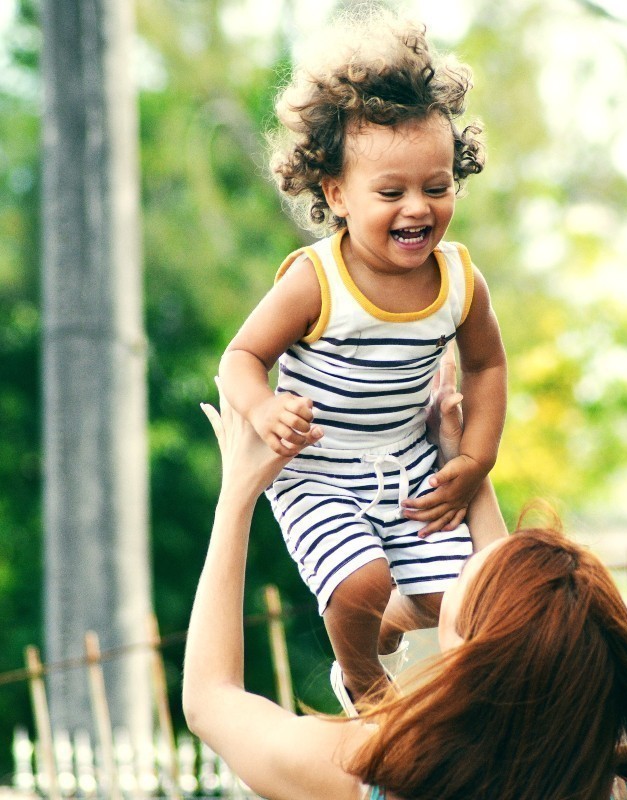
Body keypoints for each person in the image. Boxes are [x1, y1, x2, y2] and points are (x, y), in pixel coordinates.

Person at [184, 375, 627, 800]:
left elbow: (210, 700)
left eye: (468, 573)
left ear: (469, 652)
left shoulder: (369, 772)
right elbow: (518, 628)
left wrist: (237, 494)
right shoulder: (598, 780)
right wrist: (462, 465)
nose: (465, 560)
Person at [217, 8, 507, 712]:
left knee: (455, 600)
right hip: (319, 468)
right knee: (359, 583)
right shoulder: (316, 282)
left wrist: (474, 460)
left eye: (437, 187)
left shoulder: (460, 281)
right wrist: (264, 407)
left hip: (408, 461)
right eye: (391, 192)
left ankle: (385, 624)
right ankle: (365, 685)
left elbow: (489, 368)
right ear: (336, 194)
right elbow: (240, 357)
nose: (418, 208)